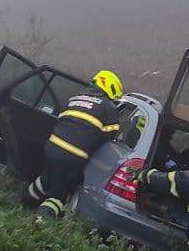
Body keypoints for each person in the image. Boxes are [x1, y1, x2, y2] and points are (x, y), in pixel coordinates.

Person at [28, 70, 124, 217]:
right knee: (59, 195)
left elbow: (60, 121)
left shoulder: (74, 99)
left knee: (48, 177)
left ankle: (24, 202)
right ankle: (40, 223)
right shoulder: (108, 107)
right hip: (73, 157)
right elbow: (109, 140)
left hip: (51, 149)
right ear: (111, 88)